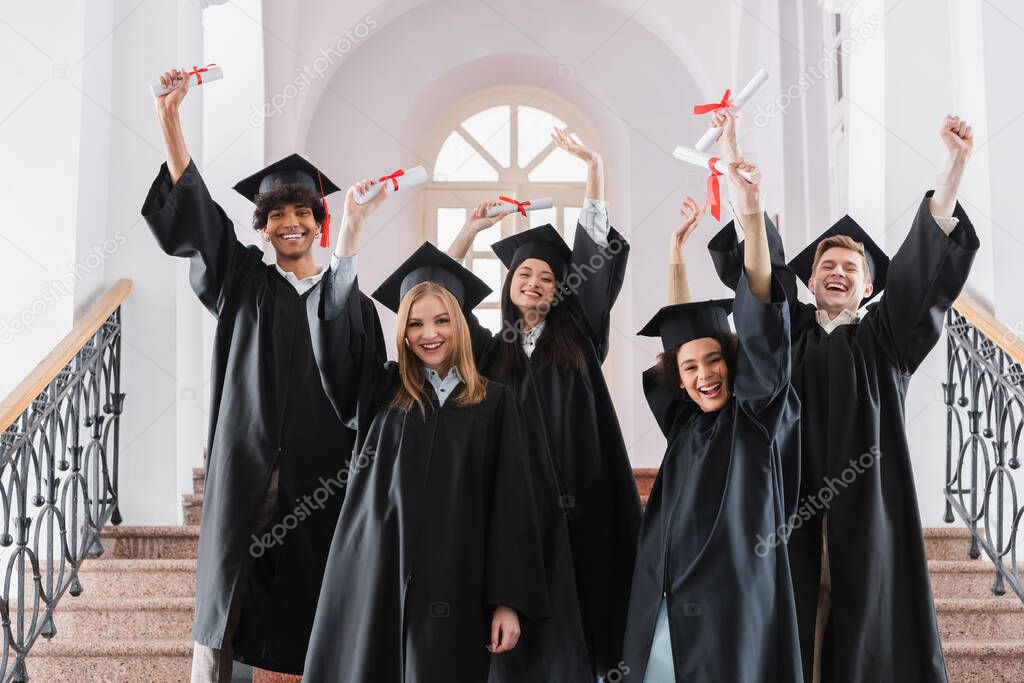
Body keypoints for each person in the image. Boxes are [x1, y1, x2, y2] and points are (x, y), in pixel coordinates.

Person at [707, 110, 979, 681]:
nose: (835, 271)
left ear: (869, 284)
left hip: (868, 507)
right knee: (790, 623)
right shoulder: (790, 334)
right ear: (808, 281)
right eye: (825, 265)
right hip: (788, 503)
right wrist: (748, 205)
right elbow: (759, 286)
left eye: (849, 267)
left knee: (864, 631)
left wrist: (952, 168)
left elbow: (920, 274)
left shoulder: (885, 339)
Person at [142, 69, 379, 681]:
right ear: (263, 225)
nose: (290, 223)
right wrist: (169, 117)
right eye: (276, 214)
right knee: (228, 602)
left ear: (321, 222)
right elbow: (199, 216)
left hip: (325, 474)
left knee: (323, 600)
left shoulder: (349, 299)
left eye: (303, 211)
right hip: (249, 464)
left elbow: (366, 388)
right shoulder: (244, 283)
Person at [302, 177, 549, 682]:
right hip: (377, 573)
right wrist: (350, 226)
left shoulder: (495, 403)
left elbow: (512, 506)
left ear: (460, 324)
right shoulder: (379, 390)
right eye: (415, 324)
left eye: (441, 321)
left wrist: (507, 600)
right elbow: (333, 333)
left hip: (457, 582)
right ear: (403, 331)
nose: (429, 334)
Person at [446, 128, 641, 682]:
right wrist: (468, 231)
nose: (534, 283)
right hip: (513, 503)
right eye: (524, 274)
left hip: (581, 495)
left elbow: (596, 264)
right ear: (508, 283)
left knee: (583, 620)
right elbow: (444, 299)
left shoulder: (580, 334)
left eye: (548, 278)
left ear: (562, 290)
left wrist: (594, 168)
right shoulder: (488, 351)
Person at [622, 158, 803, 681]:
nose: (705, 375)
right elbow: (679, 342)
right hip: (668, 595)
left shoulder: (755, 416)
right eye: (691, 368)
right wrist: (675, 258)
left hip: (734, 599)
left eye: (715, 360)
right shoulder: (686, 426)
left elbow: (762, 322)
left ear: (734, 359)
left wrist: (749, 212)